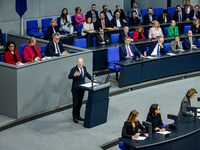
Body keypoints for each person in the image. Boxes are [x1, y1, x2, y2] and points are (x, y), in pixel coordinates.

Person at [68, 58, 96, 123]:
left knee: (80, 103)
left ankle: (78, 116)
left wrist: (92, 78)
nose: (80, 64)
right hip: (76, 89)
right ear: (77, 62)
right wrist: (74, 75)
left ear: (83, 63)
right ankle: (75, 117)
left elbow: (87, 74)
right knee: (76, 103)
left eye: (81, 62)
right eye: (79, 62)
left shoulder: (84, 68)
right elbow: (69, 76)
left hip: (82, 88)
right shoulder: (74, 69)